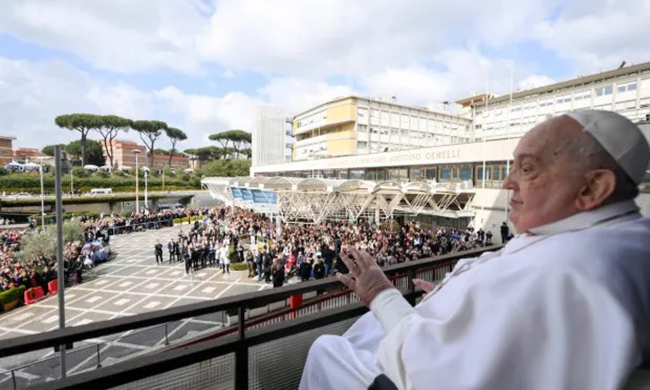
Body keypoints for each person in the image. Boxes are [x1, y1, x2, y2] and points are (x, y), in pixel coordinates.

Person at [300, 110, 650, 390]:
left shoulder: (566, 268)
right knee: (368, 329)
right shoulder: (610, 235)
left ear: (593, 187)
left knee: (326, 350)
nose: (507, 182)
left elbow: (439, 372)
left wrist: (380, 293)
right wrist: (456, 299)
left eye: (527, 169)